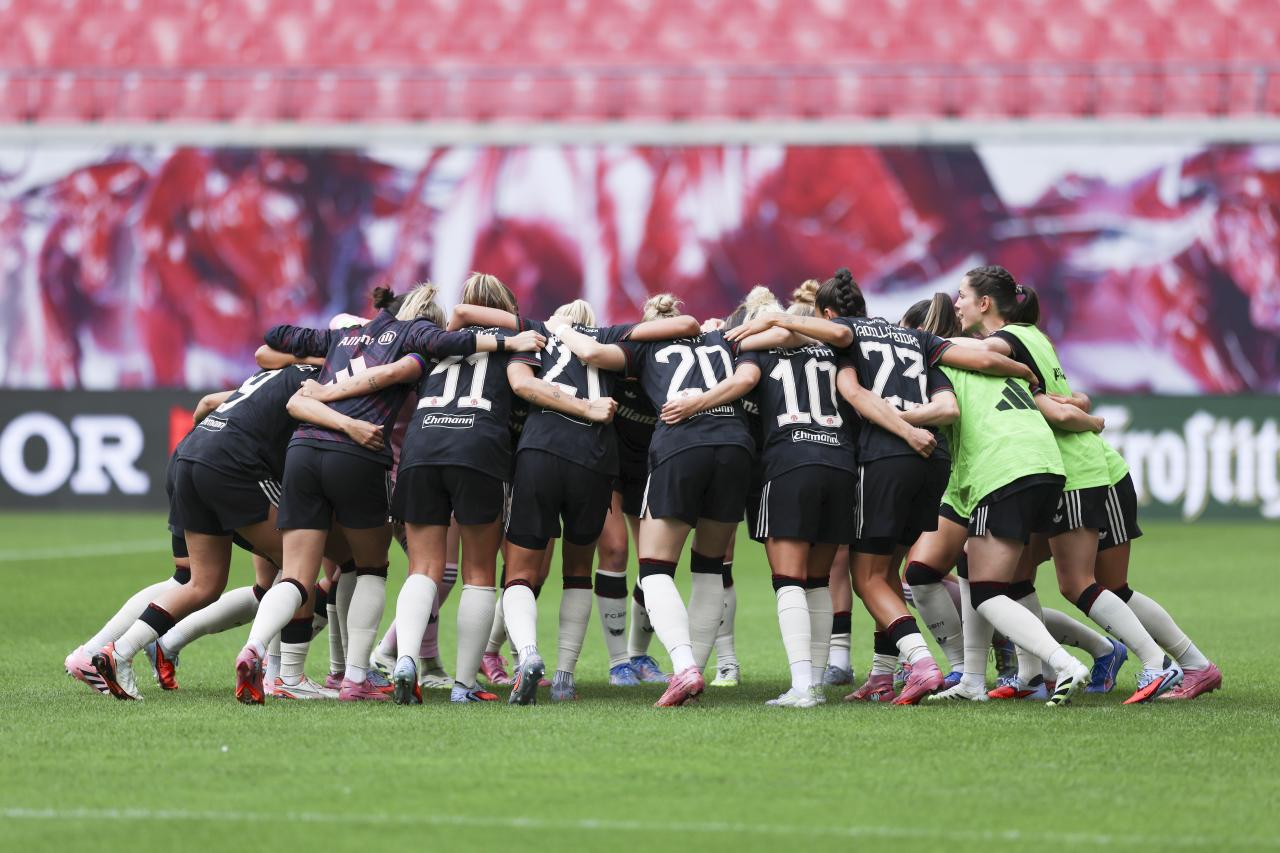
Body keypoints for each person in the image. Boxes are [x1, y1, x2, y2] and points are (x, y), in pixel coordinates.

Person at [726, 267, 1038, 704]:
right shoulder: (912, 338)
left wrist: (762, 325)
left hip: (877, 459)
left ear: (829, 313)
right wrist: (1026, 371)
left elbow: (847, 387)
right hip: (931, 465)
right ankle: (882, 673)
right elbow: (982, 361)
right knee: (888, 572)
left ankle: (921, 664)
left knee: (866, 577)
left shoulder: (846, 336)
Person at [233, 283, 541, 704]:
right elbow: (406, 366)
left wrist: (336, 362)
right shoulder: (425, 344)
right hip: (397, 452)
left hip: (328, 450)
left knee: (327, 573)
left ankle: (275, 656)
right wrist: (514, 337)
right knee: (404, 570)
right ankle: (412, 681)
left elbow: (273, 341)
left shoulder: (346, 335)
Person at [955, 265, 1183, 704]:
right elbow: (1068, 399)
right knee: (1018, 573)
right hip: (1057, 469)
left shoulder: (1006, 343)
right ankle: (1030, 675)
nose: (958, 303)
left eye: (962, 295)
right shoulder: (1031, 337)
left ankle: (1156, 663)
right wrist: (1085, 408)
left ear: (985, 303)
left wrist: (926, 344)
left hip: (1072, 470)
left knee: (1079, 583)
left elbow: (1050, 403)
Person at [462, 296, 698, 704]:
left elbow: (468, 316)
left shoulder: (535, 329)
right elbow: (687, 325)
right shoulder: (608, 337)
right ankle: (565, 676)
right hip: (593, 461)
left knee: (520, 573)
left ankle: (528, 656)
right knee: (578, 572)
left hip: (540, 452)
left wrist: (546, 326)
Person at [553, 294, 754, 707]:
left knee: (655, 569)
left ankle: (684, 668)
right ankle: (698, 664)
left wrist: (560, 328)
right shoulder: (721, 339)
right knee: (711, 567)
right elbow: (750, 374)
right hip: (735, 445)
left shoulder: (642, 344)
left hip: (682, 447)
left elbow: (590, 351)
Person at [84, 362, 325, 700]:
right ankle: (284, 676)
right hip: (231, 464)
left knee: (202, 583)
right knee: (300, 564)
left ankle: (119, 652)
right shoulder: (324, 381)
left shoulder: (275, 373)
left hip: (191, 454)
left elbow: (208, 403)